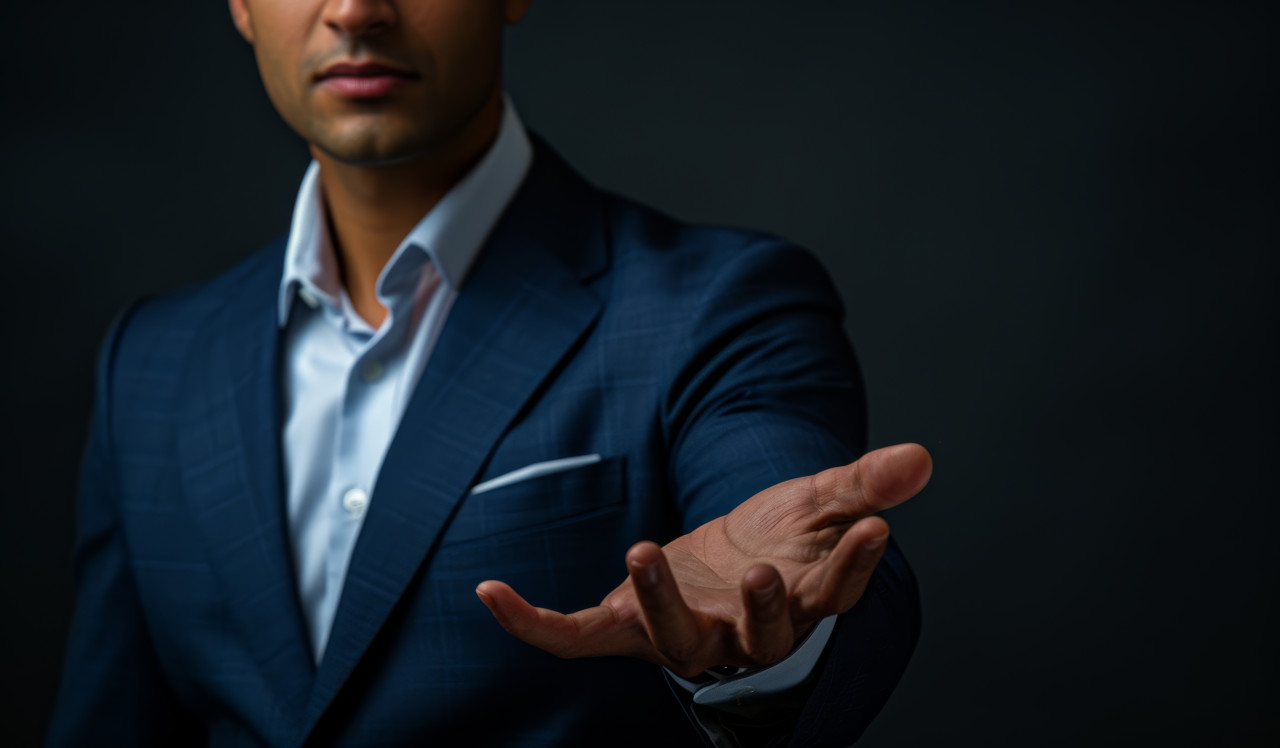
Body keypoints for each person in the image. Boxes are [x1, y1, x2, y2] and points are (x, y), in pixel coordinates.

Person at [47, 0, 932, 745]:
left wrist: (771, 636)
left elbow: (791, 536)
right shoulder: (152, 361)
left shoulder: (716, 303)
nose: (355, 9)